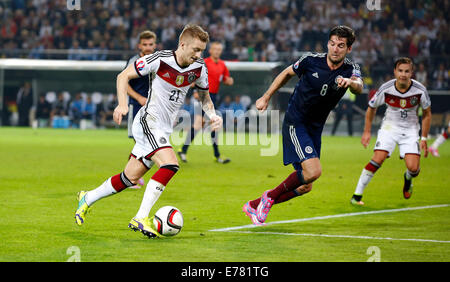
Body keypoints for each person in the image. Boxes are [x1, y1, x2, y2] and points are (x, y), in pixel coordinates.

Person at [75, 24, 222, 238]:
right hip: (148, 121)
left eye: (202, 51)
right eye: (196, 50)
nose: (200, 55)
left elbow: (205, 97)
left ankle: (87, 198)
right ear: (183, 44)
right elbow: (123, 76)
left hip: (163, 128)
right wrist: (122, 104)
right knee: (170, 164)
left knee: (129, 178)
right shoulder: (160, 59)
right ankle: (141, 217)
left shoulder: (199, 68)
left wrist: (213, 115)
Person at [243, 25, 363, 225]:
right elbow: (286, 73)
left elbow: (359, 87)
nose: (335, 49)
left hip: (315, 128)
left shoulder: (351, 69)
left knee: (307, 184)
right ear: (328, 44)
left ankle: (254, 204)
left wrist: (350, 83)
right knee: (314, 172)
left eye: (341, 46)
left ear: (348, 49)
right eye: (332, 44)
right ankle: (270, 197)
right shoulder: (311, 61)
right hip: (296, 122)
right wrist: (265, 97)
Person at [351, 57, 432, 206]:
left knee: (414, 168)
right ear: (395, 71)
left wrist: (424, 138)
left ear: (411, 73)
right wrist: (367, 131)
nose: (403, 74)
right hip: (390, 127)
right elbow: (371, 108)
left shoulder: (420, 90)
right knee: (378, 158)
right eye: (400, 70)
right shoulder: (386, 88)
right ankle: (357, 196)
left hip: (411, 130)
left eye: (407, 71)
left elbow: (427, 114)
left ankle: (408, 178)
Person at [178, 41, 234, 164]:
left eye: (219, 49)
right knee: (205, 125)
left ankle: (183, 150)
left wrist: (229, 80)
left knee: (209, 126)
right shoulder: (204, 63)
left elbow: (225, 79)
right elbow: (193, 78)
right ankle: (216, 155)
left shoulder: (222, 65)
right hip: (202, 95)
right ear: (210, 50)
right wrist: (195, 90)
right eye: (215, 49)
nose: (217, 51)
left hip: (213, 98)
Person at [125, 30, 157, 188]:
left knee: (149, 142)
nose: (148, 47)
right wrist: (139, 98)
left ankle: (133, 176)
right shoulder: (134, 61)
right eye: (145, 44)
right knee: (139, 141)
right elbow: (124, 83)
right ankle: (130, 178)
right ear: (139, 45)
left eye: (151, 44)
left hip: (153, 108)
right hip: (137, 106)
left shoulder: (158, 61)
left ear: (155, 45)